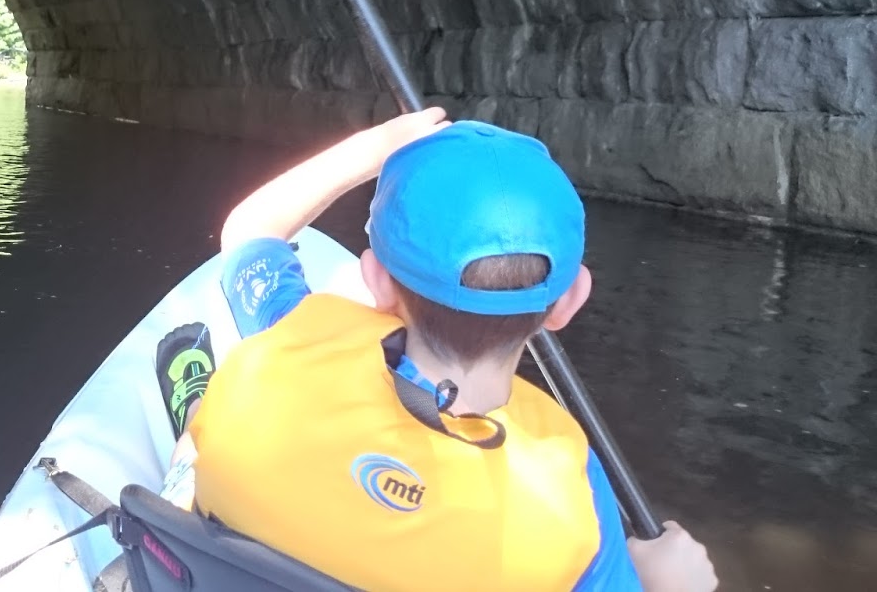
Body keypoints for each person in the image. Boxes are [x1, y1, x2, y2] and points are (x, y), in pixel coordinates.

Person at [155, 108, 717, 592]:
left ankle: (193, 438)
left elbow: (252, 229)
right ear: (569, 302)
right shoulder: (567, 485)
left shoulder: (300, 334)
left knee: (223, 413)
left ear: (374, 281)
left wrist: (373, 149)